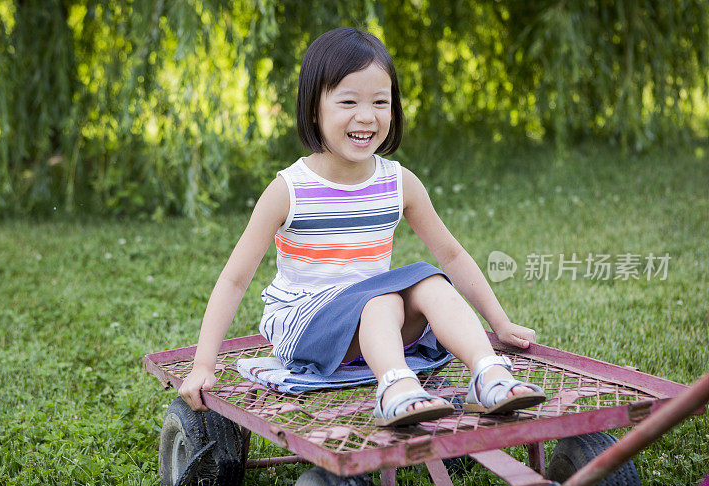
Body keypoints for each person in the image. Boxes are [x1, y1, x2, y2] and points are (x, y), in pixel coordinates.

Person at [178, 27, 545, 426]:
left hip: (371, 322)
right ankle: (395, 386)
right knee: (382, 299)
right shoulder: (290, 190)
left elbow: (451, 254)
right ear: (313, 108)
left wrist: (500, 322)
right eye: (348, 101)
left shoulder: (399, 182)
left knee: (431, 281)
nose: (366, 117)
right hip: (306, 330)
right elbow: (234, 279)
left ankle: (488, 373)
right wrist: (202, 365)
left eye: (380, 102)